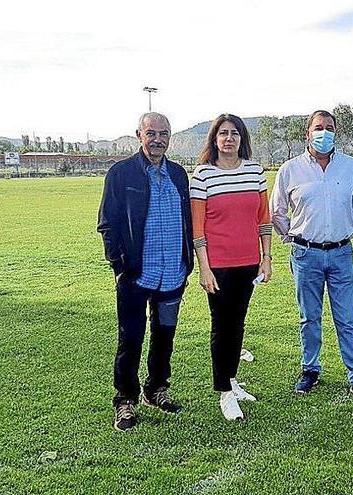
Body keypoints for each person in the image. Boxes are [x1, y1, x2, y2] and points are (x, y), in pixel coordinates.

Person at [270, 110, 353, 405]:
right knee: (310, 317)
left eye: (329, 128)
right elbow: (277, 212)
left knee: (347, 318)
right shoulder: (290, 170)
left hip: (341, 254)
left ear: (336, 132)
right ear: (308, 133)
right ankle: (310, 369)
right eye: (318, 127)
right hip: (306, 255)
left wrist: (344, 232)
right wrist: (291, 237)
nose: (324, 132)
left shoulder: (350, 166)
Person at [97, 112, 194, 431]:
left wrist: (187, 261)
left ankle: (156, 389)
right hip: (136, 277)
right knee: (131, 339)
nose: (158, 139)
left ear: (170, 137)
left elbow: (188, 221)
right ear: (139, 134)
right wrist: (119, 267)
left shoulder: (179, 174)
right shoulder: (121, 174)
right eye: (151, 133)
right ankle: (125, 399)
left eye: (164, 133)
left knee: (164, 335)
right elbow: (107, 223)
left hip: (173, 276)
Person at [190, 114, 273, 421]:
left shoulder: (255, 171)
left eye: (234, 133)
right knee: (221, 325)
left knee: (237, 323)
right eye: (223, 133)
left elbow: (263, 219)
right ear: (214, 139)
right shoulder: (202, 175)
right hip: (218, 266)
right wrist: (205, 268)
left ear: (242, 139)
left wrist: (266, 257)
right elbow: (198, 228)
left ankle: (233, 381)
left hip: (249, 262)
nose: (228, 138)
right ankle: (224, 392)